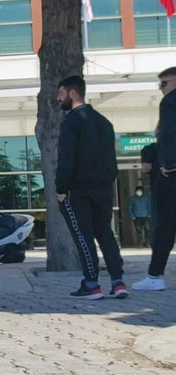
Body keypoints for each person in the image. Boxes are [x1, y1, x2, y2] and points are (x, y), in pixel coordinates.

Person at [55, 75, 127, 300]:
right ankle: (118, 282)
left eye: (60, 94)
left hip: (78, 190)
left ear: (72, 93)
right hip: (103, 189)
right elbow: (111, 159)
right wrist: (107, 181)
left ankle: (91, 284)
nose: (58, 99)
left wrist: (61, 188)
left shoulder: (71, 122)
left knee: (83, 236)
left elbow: (67, 158)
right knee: (105, 233)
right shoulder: (104, 122)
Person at [133, 67, 176, 291]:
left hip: (171, 177)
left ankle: (155, 276)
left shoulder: (170, 102)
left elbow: (169, 134)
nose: (162, 90)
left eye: (165, 84)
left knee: (165, 226)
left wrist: (169, 164)